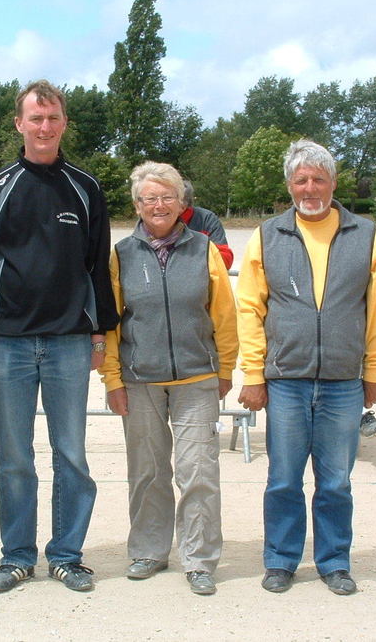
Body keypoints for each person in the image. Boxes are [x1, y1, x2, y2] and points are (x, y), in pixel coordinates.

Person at [0, 80, 119, 593]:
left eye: (53, 118)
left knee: (71, 453)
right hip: (8, 340)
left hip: (69, 341)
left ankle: (67, 554)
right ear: (19, 124)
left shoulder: (85, 187)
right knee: (14, 457)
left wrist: (100, 333)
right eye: (35, 118)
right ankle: (16, 555)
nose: (45, 127)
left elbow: (97, 264)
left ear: (64, 124)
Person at [237, 139, 376, 595]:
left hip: (344, 382)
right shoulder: (268, 235)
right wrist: (253, 373)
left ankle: (334, 562)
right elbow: (250, 308)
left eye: (318, 179)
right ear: (290, 185)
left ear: (333, 182)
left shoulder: (367, 235)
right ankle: (282, 560)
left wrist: (374, 370)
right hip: (286, 380)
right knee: (283, 478)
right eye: (301, 180)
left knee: (336, 481)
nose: (310, 189)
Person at [99, 162, 238, 596]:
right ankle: (148, 550)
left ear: (182, 203)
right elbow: (111, 324)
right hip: (139, 381)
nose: (158, 206)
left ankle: (198, 559)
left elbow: (224, 315)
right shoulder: (121, 254)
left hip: (197, 378)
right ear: (136, 205)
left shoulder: (205, 249)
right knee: (147, 471)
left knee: (198, 471)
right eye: (149, 199)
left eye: (167, 198)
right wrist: (112, 379)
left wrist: (226, 369)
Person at [181, 180, 234, 269]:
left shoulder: (206, 218)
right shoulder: (156, 220)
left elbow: (225, 260)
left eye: (168, 198)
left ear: (185, 202)